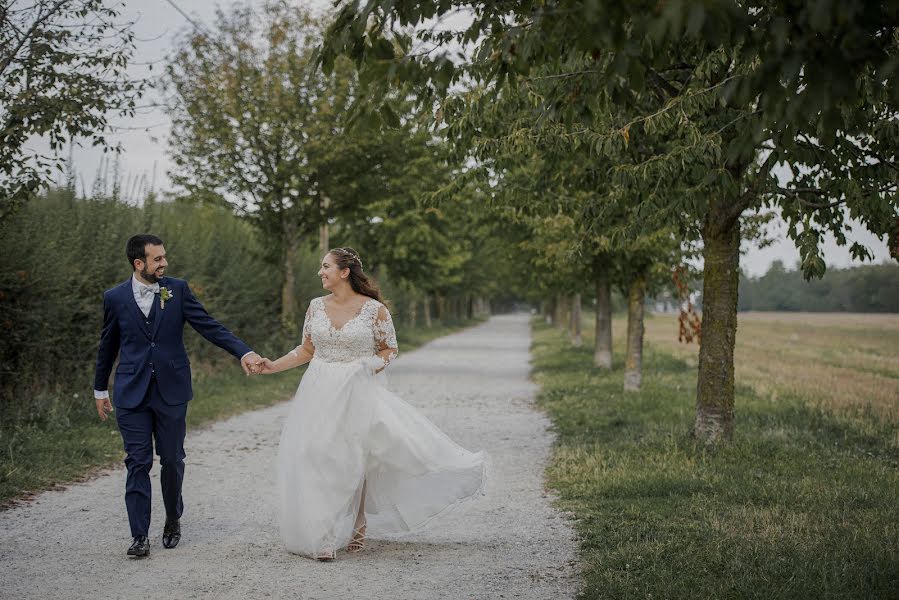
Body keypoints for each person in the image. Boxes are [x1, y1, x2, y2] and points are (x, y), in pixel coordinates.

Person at [254, 247, 486, 561]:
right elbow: (306, 350)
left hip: (357, 389)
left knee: (351, 457)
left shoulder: (373, 310)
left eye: (326, 267)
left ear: (344, 271)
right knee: (315, 453)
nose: (321, 273)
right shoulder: (315, 307)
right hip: (319, 389)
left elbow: (390, 349)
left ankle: (356, 524)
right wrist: (272, 365)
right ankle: (324, 532)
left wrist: (367, 367)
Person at [93, 234, 261, 557]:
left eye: (164, 257)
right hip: (131, 393)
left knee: (171, 459)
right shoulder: (114, 298)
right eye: (157, 259)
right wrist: (100, 388)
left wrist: (243, 352)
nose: (164, 263)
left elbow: (210, 326)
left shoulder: (177, 290)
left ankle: (172, 516)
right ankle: (139, 535)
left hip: (171, 390)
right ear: (138, 263)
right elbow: (107, 346)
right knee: (137, 462)